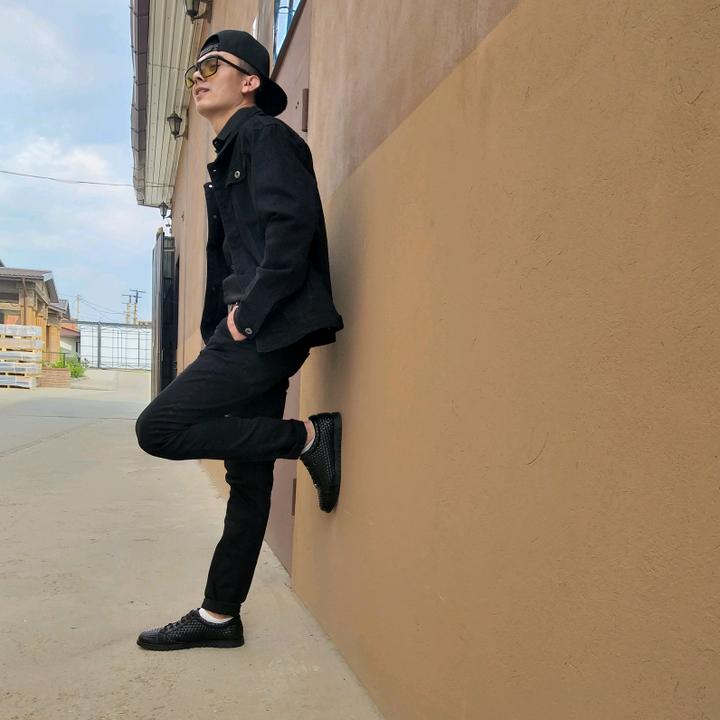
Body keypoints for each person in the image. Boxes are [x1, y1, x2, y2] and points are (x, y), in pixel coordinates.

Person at [133, 29, 344, 651]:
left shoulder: (263, 136)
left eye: (211, 66)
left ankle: (308, 438)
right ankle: (220, 616)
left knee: (158, 429)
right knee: (249, 483)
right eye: (194, 71)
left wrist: (245, 318)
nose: (197, 78)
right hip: (252, 330)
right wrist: (222, 326)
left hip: (263, 328)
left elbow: (291, 228)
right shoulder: (229, 154)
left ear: (249, 81)